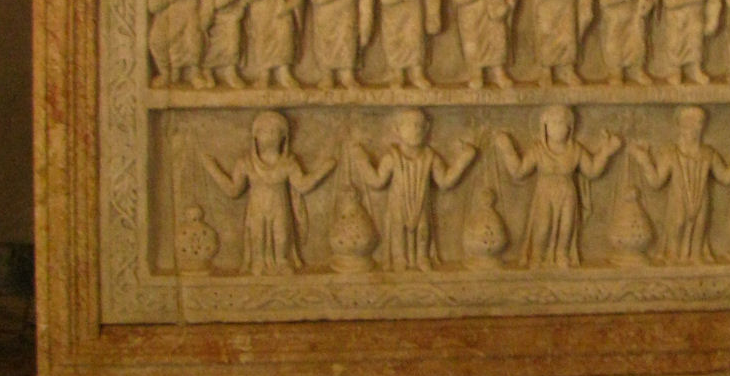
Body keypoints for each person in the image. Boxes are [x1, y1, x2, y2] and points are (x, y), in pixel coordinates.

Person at [202, 112, 334, 274]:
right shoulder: (246, 163)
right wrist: (213, 169)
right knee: (258, 236)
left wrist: (324, 170)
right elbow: (233, 190)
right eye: (264, 131)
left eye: (273, 131)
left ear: (283, 137)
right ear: (255, 136)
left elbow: (302, 185)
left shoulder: (288, 163)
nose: (269, 136)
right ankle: (258, 262)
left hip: (280, 208)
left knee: (282, 236)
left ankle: (282, 261)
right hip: (257, 209)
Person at [494, 105, 621, 267]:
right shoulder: (538, 150)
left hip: (567, 194)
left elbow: (592, 171)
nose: (558, 127)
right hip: (544, 194)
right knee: (542, 227)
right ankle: (538, 256)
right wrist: (508, 150)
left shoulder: (575, 150)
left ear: (570, 128)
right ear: (545, 127)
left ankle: (562, 254)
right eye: (554, 123)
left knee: (566, 227)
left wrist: (606, 152)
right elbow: (519, 171)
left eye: (562, 123)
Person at [350, 109, 478, 270]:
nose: (415, 129)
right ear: (397, 129)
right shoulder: (392, 158)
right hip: (398, 206)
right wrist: (360, 156)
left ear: (427, 128)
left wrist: (465, 158)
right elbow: (376, 181)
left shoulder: (430, 157)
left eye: (419, 125)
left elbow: (445, 182)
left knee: (423, 229)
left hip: (421, 204)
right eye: (409, 125)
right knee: (398, 229)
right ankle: (399, 258)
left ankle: (422, 257)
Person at [630, 106, 730, 264]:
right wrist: (644, 160)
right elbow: (656, 181)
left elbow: (725, 177)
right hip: (678, 201)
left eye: (698, 123)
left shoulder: (708, 153)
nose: (694, 127)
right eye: (689, 122)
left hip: (700, 200)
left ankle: (696, 262)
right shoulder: (671, 154)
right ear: (680, 126)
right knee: (678, 224)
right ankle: (672, 260)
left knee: (699, 229)